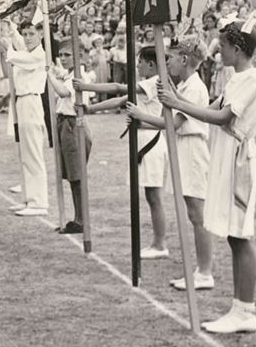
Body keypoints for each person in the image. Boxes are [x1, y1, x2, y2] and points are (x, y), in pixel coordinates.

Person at [158, 22, 256, 333]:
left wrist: (178, 103)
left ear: (238, 49)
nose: (219, 52)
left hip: (240, 161)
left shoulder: (254, 79)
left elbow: (223, 117)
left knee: (241, 236)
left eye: (223, 47)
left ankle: (245, 311)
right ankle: (238, 308)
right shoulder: (236, 78)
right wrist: (176, 96)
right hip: (228, 157)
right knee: (233, 235)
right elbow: (206, 108)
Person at [127, 36, 213, 289]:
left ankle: (204, 272)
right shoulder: (184, 86)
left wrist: (142, 115)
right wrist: (140, 122)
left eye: (172, 57)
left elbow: (175, 123)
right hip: (182, 147)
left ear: (185, 59)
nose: (169, 62)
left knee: (198, 214)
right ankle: (200, 269)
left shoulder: (195, 87)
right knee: (191, 211)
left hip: (193, 149)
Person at [77, 46, 168, 258]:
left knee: (154, 196)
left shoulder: (153, 82)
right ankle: (158, 242)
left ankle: (160, 244)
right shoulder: (149, 83)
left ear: (151, 65)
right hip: (143, 138)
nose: (137, 65)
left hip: (151, 141)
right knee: (150, 195)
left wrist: (86, 86)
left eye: (140, 62)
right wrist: (90, 109)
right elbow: (121, 101)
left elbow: (119, 88)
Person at [3, 21, 49, 217]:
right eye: (25, 34)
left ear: (40, 36)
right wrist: (10, 27)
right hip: (22, 102)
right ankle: (29, 199)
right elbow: (20, 44)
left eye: (32, 34)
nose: (28, 37)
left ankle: (39, 202)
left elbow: (17, 56)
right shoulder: (28, 51)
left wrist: (7, 48)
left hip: (32, 102)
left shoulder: (40, 55)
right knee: (25, 154)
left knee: (33, 154)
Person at [46, 40, 91, 235]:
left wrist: (48, 75)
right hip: (65, 124)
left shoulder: (80, 76)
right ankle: (77, 218)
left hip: (73, 125)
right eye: (61, 55)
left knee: (76, 174)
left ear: (78, 56)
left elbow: (64, 92)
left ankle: (81, 219)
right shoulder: (70, 75)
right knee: (71, 175)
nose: (63, 59)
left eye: (67, 55)